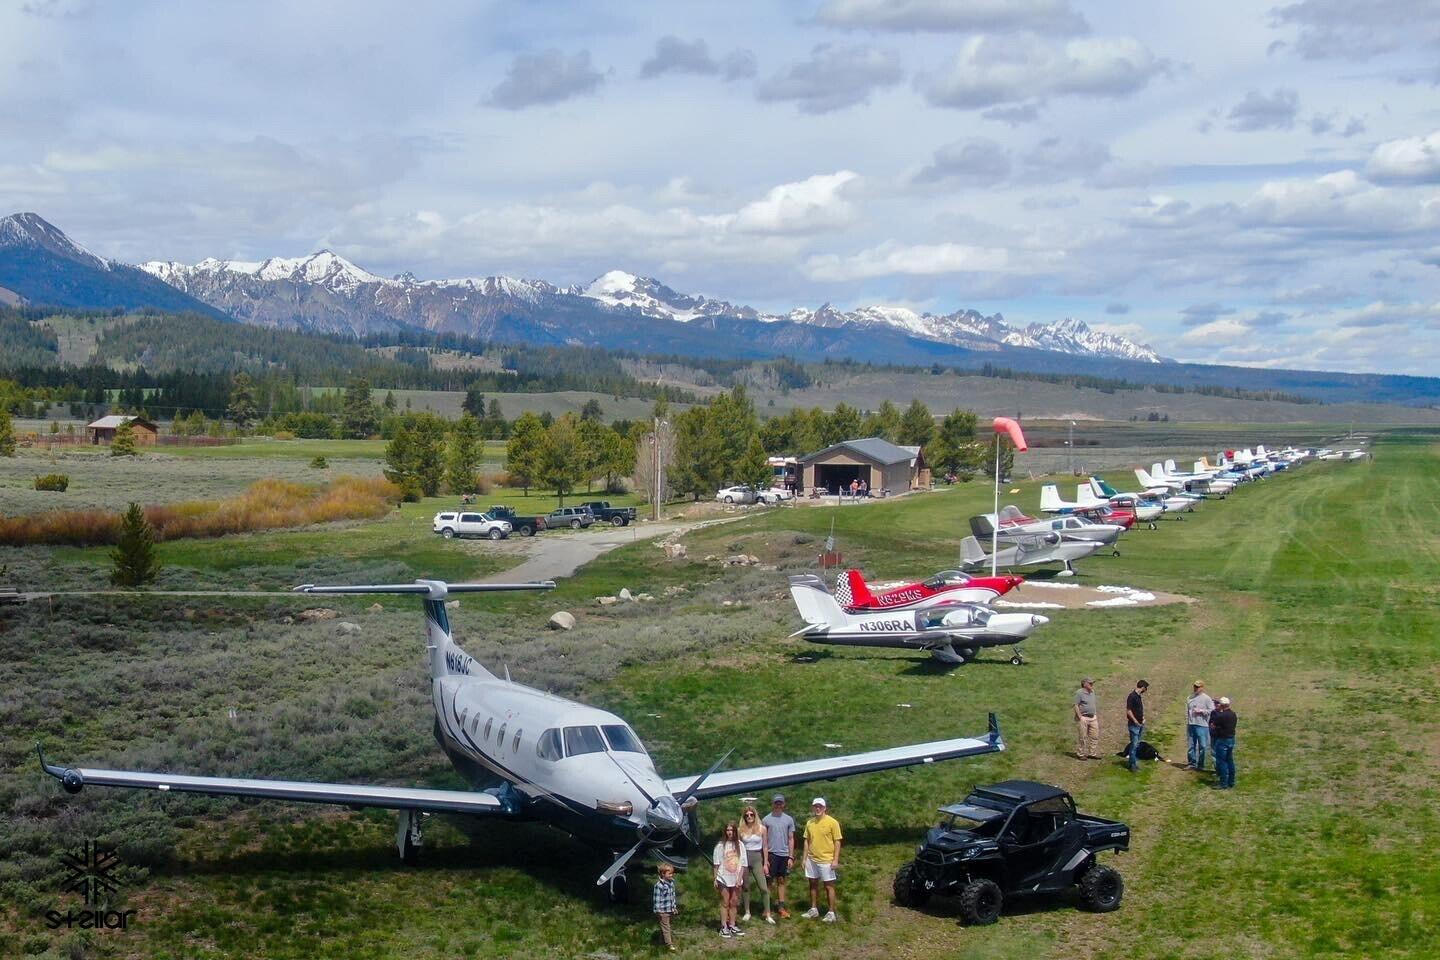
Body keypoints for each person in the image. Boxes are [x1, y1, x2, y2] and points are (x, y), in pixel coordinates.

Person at [800, 797, 843, 922]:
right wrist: (804, 858)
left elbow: (837, 842)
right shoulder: (810, 823)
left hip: (826, 859)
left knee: (828, 886)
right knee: (812, 884)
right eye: (815, 806)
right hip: (812, 859)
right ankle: (813, 909)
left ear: (824, 808)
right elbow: (806, 841)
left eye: (820, 806)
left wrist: (835, 859)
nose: (817, 808)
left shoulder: (832, 822)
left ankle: (831, 912)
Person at [762, 794, 797, 919]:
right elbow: (764, 841)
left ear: (783, 804)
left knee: (781, 880)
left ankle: (781, 907)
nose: (778, 805)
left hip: (784, 854)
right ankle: (767, 907)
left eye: (780, 803)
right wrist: (765, 860)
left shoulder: (789, 820)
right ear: (773, 804)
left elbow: (791, 838)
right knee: (769, 881)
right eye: (776, 803)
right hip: (772, 854)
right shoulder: (766, 820)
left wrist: (790, 857)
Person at [712, 821, 747, 938]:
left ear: (735, 831)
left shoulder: (740, 845)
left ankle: (732, 925)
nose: (729, 832)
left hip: (736, 878)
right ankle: (723, 926)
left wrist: (739, 878)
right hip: (723, 877)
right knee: (725, 902)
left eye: (731, 830)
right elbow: (716, 864)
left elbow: (743, 863)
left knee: (734, 902)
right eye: (727, 830)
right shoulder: (720, 846)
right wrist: (715, 878)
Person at [738, 803, 771, 924]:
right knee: (745, 886)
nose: (749, 817)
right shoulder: (740, 830)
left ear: (755, 815)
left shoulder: (762, 828)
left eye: (751, 814)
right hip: (745, 858)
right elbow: (738, 846)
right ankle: (747, 911)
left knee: (763, 887)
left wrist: (765, 862)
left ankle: (767, 913)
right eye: (747, 815)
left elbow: (765, 846)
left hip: (757, 857)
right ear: (744, 817)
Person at [1185, 680, 1215, 771]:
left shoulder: (1206, 698)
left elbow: (1212, 710)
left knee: (1202, 745)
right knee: (1191, 745)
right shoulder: (1190, 697)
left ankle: (1200, 765)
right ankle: (1192, 763)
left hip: (1202, 725)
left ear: (1202, 688)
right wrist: (1187, 721)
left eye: (1198, 687)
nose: (1196, 688)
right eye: (1195, 686)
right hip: (1191, 724)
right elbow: (1187, 710)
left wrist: (1202, 711)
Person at [1210, 696, 1238, 788]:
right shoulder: (1233, 714)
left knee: (1222, 762)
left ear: (1221, 705)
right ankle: (1231, 781)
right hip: (1231, 739)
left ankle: (1223, 783)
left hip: (1222, 740)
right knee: (1230, 760)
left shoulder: (1221, 716)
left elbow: (1213, 725)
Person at [653, 862, 679, 951]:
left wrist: (674, 907)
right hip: (662, 911)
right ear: (663, 874)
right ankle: (669, 945)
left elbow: (672, 897)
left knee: (664, 927)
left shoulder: (671, 883)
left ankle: (662, 941)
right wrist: (658, 910)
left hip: (670, 909)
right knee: (666, 927)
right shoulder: (659, 886)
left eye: (672, 873)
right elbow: (656, 899)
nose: (672, 875)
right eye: (670, 873)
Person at [1125, 679, 1149, 772]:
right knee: (1134, 745)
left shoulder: (1138, 697)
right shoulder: (1132, 696)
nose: (1146, 690)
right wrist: (1135, 721)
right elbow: (1129, 711)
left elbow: (1139, 709)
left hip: (1139, 724)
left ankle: (1134, 762)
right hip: (1134, 725)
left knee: (1136, 744)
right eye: (1145, 688)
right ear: (1142, 687)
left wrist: (1142, 718)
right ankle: (1132, 765)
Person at [1073, 677, 1100, 759]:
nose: (1092, 685)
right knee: (1082, 737)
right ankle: (1081, 754)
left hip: (1093, 717)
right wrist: (1080, 717)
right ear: (1084, 684)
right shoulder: (1079, 693)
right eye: (1090, 683)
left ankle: (1092, 753)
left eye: (1092, 683)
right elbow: (1075, 705)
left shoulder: (1092, 692)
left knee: (1095, 736)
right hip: (1084, 718)